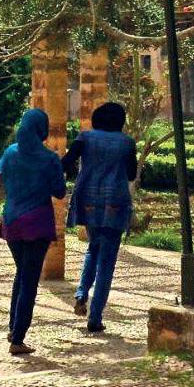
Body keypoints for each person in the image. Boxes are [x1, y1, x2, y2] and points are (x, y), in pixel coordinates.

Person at [0, 108, 67, 355]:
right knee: (29, 280)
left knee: (22, 274)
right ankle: (18, 338)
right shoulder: (50, 159)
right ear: (42, 129)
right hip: (37, 224)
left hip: (11, 221)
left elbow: (0, 176)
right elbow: (60, 192)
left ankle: (12, 328)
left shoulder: (10, 152)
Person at [63, 101, 138, 334]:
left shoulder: (85, 138)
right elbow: (131, 174)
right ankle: (95, 318)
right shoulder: (127, 142)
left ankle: (81, 293)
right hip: (115, 201)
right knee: (107, 260)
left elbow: (66, 162)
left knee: (93, 248)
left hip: (87, 199)